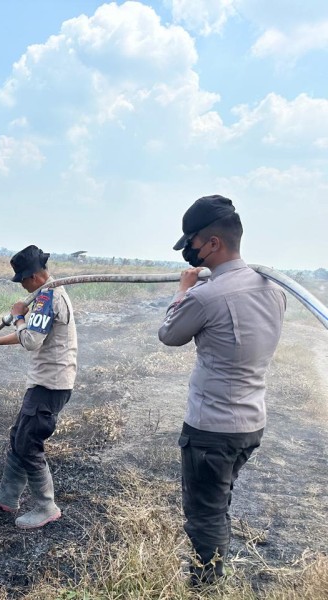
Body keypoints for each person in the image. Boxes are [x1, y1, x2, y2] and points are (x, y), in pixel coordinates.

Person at [158, 195, 286, 585]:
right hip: (250, 423)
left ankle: (204, 586)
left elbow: (169, 334)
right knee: (218, 501)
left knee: (204, 515)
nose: (190, 253)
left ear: (213, 243)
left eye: (192, 244)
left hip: (212, 428)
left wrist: (182, 290)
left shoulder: (206, 294)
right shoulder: (274, 289)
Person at [0, 244, 78, 529]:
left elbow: (30, 339)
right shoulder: (52, 293)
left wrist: (19, 314)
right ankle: (7, 495)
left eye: (21, 280)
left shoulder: (47, 297)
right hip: (48, 383)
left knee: (29, 444)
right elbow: (32, 333)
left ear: (33, 277)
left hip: (50, 385)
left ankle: (47, 507)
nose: (21, 285)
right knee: (19, 435)